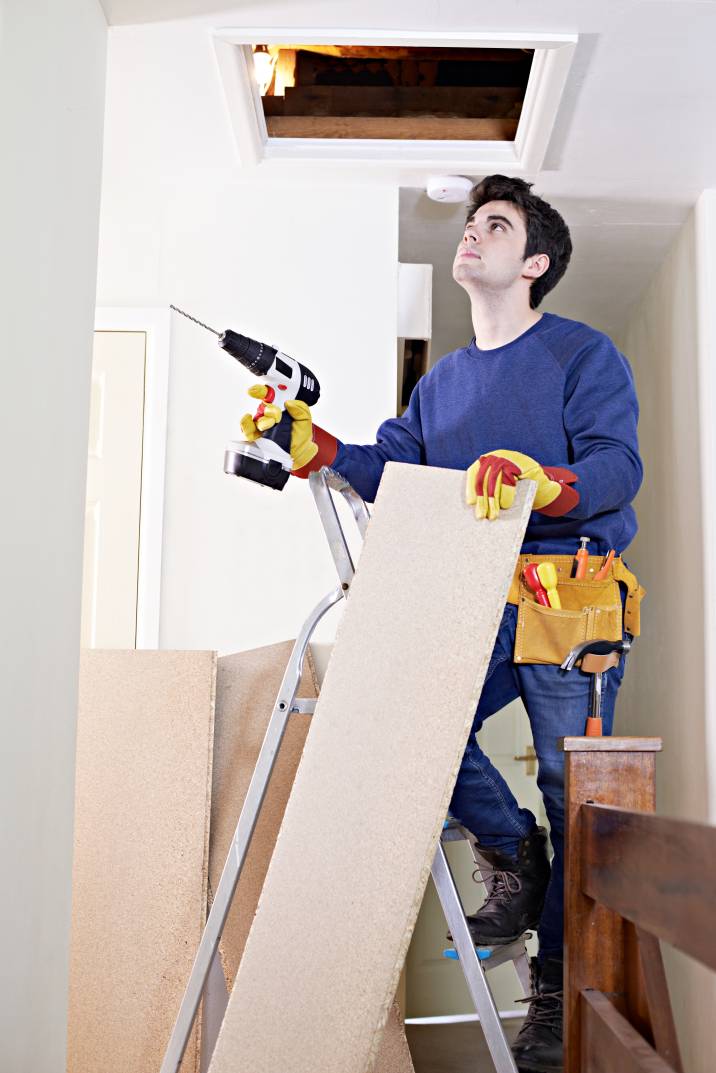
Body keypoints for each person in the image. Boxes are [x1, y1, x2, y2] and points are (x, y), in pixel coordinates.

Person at [241, 174, 643, 1073]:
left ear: (534, 263)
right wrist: (318, 450)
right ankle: (510, 852)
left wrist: (545, 479)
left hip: (564, 607)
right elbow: (394, 465)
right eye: (471, 223)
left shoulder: (583, 355)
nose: (472, 233)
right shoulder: (446, 384)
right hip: (472, 600)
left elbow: (618, 466)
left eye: (494, 225)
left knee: (568, 791)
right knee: (418, 728)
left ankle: (554, 992)